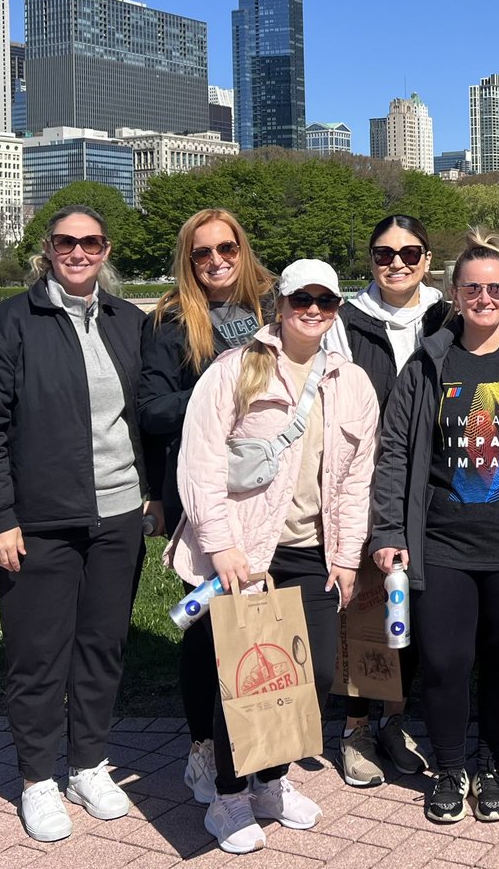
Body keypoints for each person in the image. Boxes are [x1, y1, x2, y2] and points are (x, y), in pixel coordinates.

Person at [0, 205, 151, 844]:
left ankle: (87, 763)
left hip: (118, 514)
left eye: (91, 242)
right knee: (38, 656)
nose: (79, 252)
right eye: (67, 241)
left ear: (105, 249)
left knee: (101, 648)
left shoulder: (128, 322)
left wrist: (154, 491)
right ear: (49, 248)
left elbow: (148, 413)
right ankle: (38, 777)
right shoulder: (7, 325)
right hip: (39, 520)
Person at [169, 260, 380, 855]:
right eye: (300, 299)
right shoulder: (237, 369)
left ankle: (272, 781)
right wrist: (222, 545)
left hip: (313, 552)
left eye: (325, 301)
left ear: (337, 308)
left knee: (307, 676)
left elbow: (353, 480)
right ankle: (230, 798)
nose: (312, 310)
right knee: (243, 679)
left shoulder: (351, 382)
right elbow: (201, 461)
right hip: (247, 553)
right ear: (279, 304)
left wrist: (345, 556)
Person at [369, 230, 499, 826]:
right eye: (472, 288)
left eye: (495, 288)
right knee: (443, 662)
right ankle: (450, 765)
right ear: (454, 294)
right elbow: (395, 455)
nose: (484, 298)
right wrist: (389, 532)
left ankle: (492, 763)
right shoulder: (429, 363)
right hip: (440, 545)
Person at [137, 208, 275, 805]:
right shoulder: (170, 320)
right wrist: (217, 390)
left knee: (264, 621)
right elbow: (151, 410)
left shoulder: (274, 307)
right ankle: (202, 748)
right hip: (203, 488)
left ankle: (267, 750)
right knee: (208, 627)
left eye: (227, 247)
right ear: (187, 261)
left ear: (243, 249)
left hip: (272, 489)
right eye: (202, 252)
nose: (216, 260)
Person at [332, 214, 449, 787]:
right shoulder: (345, 320)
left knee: (412, 603)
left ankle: (396, 719)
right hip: (360, 479)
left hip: (431, 485)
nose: (396, 263)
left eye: (409, 253)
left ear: (427, 258)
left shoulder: (445, 314)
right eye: (383, 254)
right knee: (362, 604)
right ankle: (355, 727)